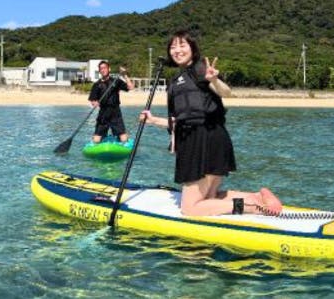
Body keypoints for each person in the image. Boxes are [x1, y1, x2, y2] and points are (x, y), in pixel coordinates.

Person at [141, 30, 283, 217]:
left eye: (182, 45)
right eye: (173, 47)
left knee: (190, 209)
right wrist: (153, 120)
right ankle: (257, 197)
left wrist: (214, 80)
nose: (177, 50)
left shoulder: (200, 70)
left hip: (203, 140)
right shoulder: (176, 81)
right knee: (210, 197)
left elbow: (226, 92)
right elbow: (181, 121)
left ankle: (252, 207)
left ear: (193, 48)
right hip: (210, 138)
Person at [88, 60, 134, 143]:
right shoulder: (96, 85)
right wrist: (95, 103)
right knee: (96, 140)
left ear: (109, 69)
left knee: (123, 139)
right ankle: (103, 138)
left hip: (115, 113)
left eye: (105, 68)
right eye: (101, 68)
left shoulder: (116, 81)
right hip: (103, 113)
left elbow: (130, 87)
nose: (103, 70)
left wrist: (125, 75)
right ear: (99, 71)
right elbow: (92, 100)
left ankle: (123, 139)